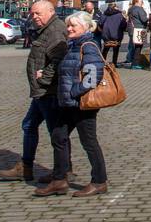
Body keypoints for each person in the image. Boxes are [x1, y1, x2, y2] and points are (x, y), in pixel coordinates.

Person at [36, 11, 108, 198]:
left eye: (73, 26)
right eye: (68, 25)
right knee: (58, 137)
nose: (68, 29)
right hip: (68, 104)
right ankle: (59, 180)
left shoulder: (88, 46)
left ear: (84, 27)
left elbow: (92, 77)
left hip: (82, 104)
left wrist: (73, 92)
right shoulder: (72, 46)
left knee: (89, 142)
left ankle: (99, 181)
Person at [0, 0, 70, 183]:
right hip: (41, 91)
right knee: (31, 126)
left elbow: (59, 60)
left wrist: (45, 78)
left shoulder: (55, 30)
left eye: (38, 13)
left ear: (50, 11)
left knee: (54, 131)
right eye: (32, 13)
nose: (34, 17)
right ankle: (29, 167)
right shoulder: (46, 29)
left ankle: (60, 171)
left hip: (48, 91)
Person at [124, 0, 149, 69]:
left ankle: (131, 61)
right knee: (138, 47)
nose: (142, 3)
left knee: (133, 46)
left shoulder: (130, 9)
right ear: (137, 2)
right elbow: (144, 19)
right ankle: (135, 64)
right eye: (141, 1)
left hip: (132, 29)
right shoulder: (139, 9)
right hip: (139, 29)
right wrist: (147, 18)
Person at [99, 0, 126, 65]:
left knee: (105, 49)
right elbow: (123, 25)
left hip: (106, 35)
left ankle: (102, 63)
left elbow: (100, 23)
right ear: (115, 7)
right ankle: (114, 63)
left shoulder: (104, 14)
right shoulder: (119, 15)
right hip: (116, 34)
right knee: (116, 50)